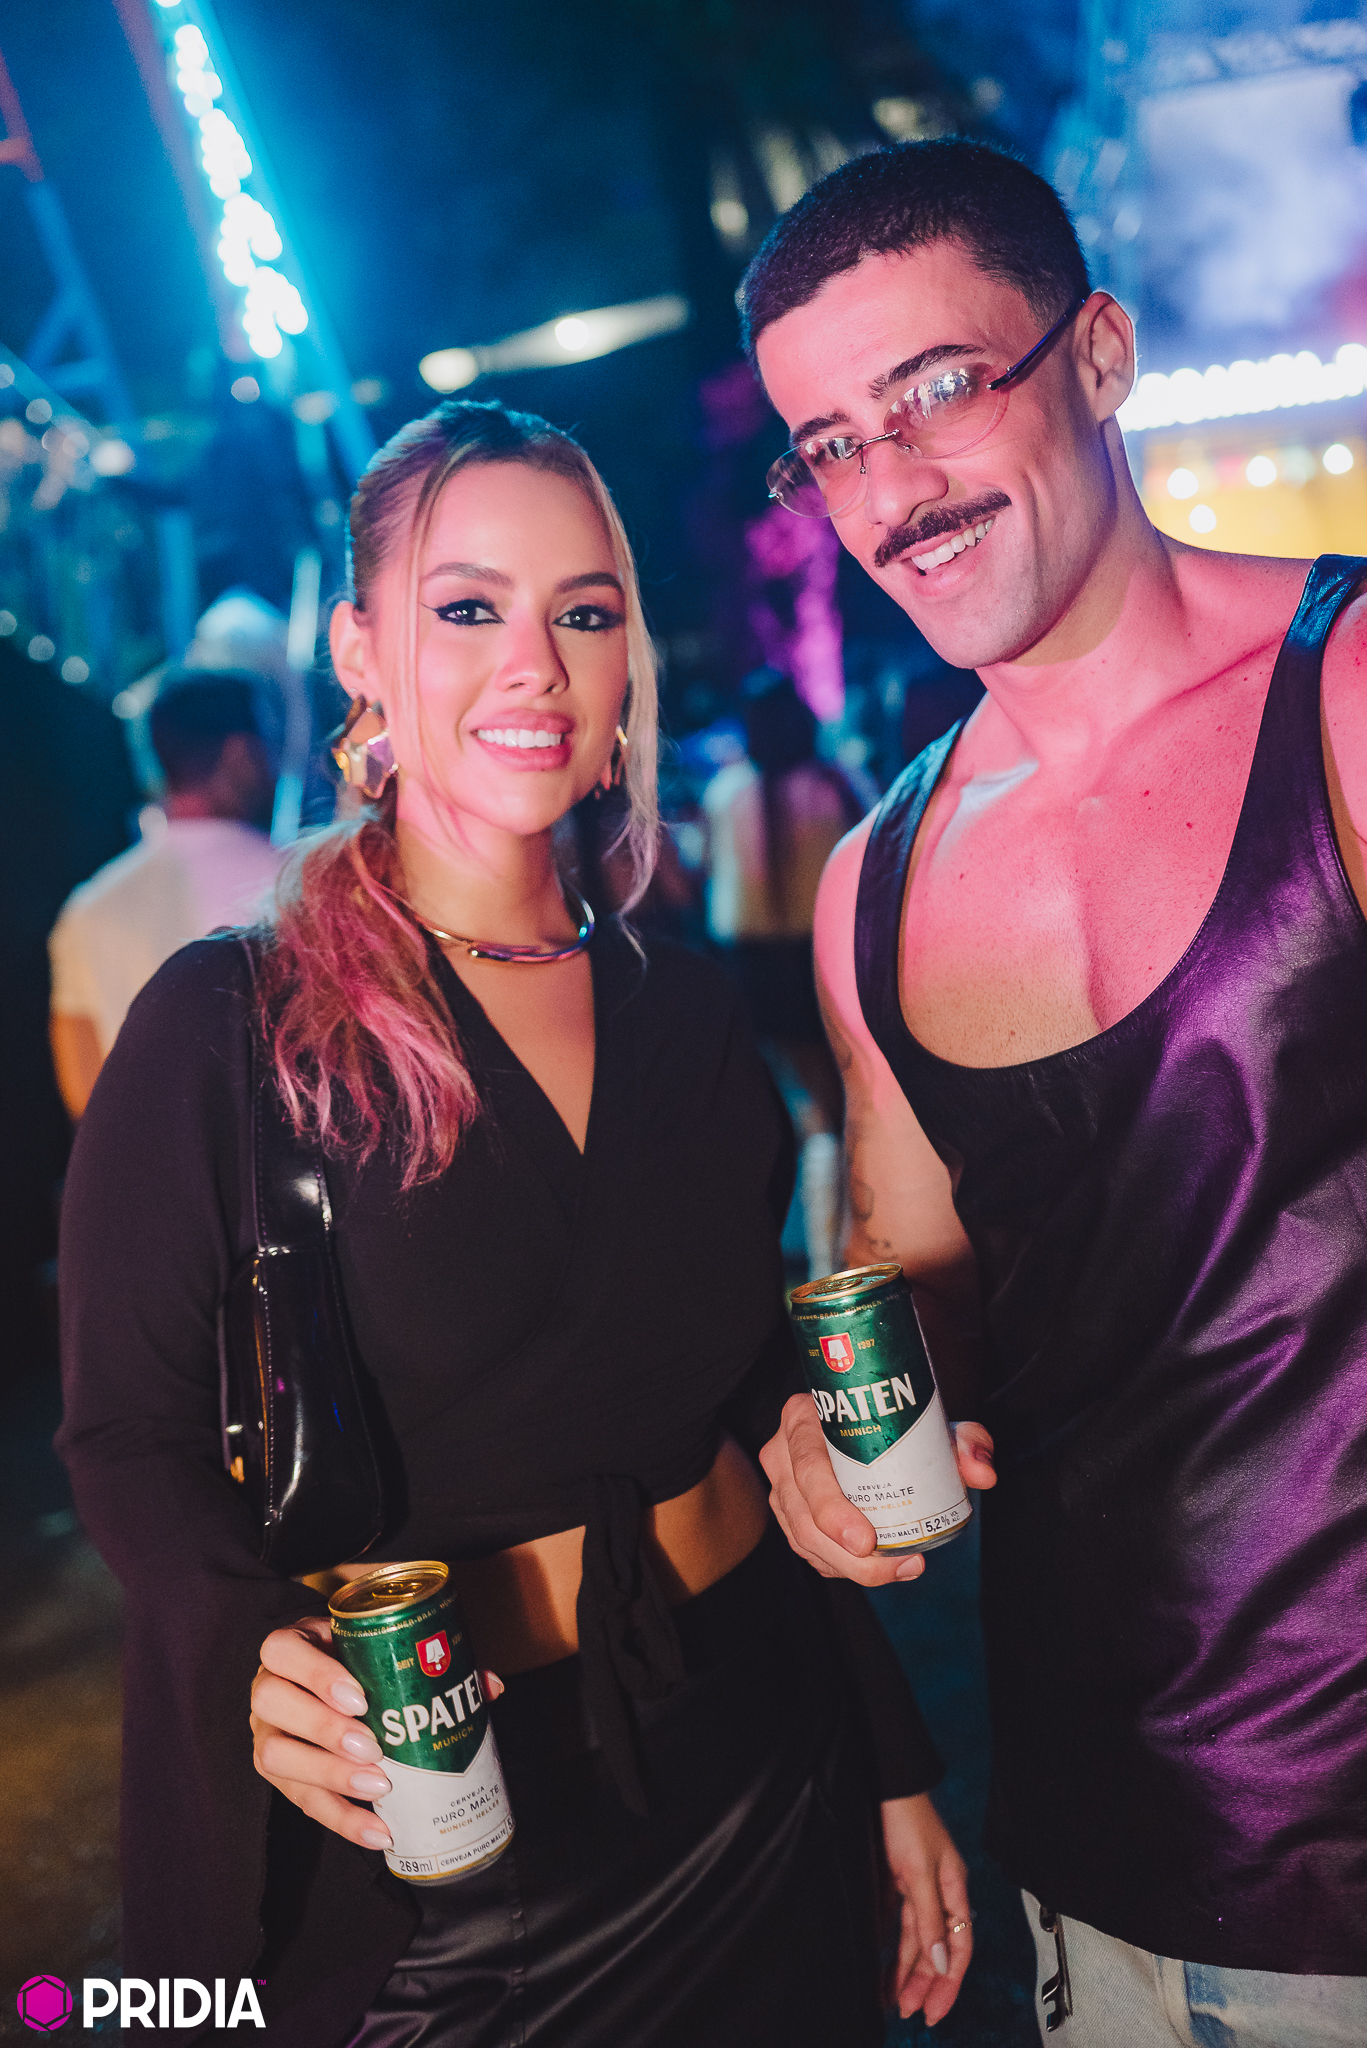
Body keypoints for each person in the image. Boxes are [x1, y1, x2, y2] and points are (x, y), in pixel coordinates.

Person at [56, 399, 976, 2046]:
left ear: (628, 665)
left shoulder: (686, 1009)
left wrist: (891, 1761)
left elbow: (744, 1406)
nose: (534, 666)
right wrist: (247, 1639)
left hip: (763, 1761)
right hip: (439, 1839)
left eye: (585, 612)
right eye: (468, 607)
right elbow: (125, 1434)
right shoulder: (227, 1024)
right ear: (360, 650)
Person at [743, 138, 1367, 2046]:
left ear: (1097, 353)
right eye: (829, 444)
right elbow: (922, 1293)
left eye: (937, 390)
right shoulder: (875, 880)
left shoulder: (1346, 698)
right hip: (1095, 1873)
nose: (889, 491)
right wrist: (834, 1438)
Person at [47, 668, 283, 1117]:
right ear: (240, 754)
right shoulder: (302, 885)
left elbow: (85, 1096)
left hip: (142, 1156)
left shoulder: (88, 910)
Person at [703, 668, 865, 1276]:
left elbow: (710, 877)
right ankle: (831, 1262)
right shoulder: (834, 786)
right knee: (834, 1111)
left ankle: (803, 1255)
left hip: (748, 969)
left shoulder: (725, 792)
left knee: (794, 1112)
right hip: (821, 959)